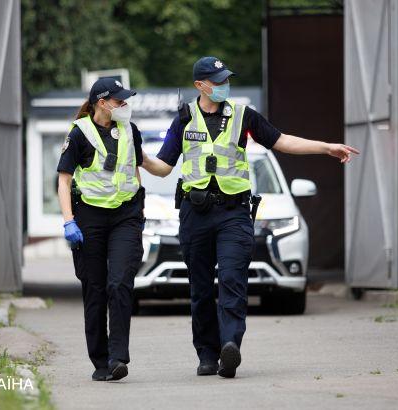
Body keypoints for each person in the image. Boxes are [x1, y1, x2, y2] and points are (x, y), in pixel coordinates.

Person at [141, 57, 359, 379]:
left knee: (232, 278)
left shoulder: (243, 116)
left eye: (225, 79)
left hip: (234, 213)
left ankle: (230, 345)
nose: (223, 85)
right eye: (217, 81)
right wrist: (141, 158)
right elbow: (164, 166)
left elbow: (282, 141)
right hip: (195, 213)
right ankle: (206, 353)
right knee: (201, 288)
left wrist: (324, 147)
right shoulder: (184, 119)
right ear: (200, 85)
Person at [57, 77, 145, 382]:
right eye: (119, 101)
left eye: (125, 101)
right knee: (94, 291)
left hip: (125, 216)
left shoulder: (130, 131)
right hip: (89, 219)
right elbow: (64, 180)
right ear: (101, 103)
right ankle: (100, 361)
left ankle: (118, 356)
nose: (125, 105)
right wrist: (69, 220)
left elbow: (136, 168)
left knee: (120, 283)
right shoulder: (79, 134)